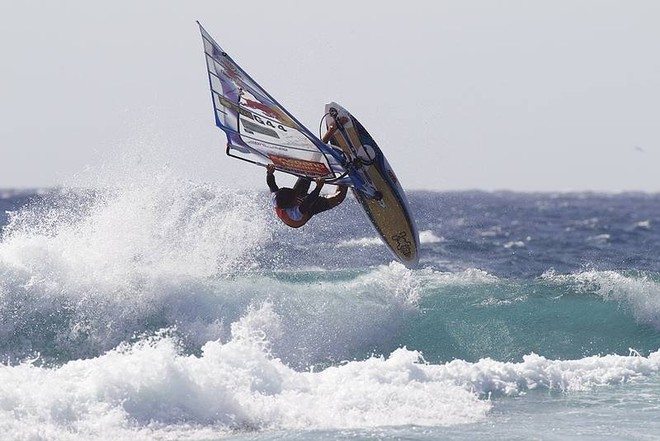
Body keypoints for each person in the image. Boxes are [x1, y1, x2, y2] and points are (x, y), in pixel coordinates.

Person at [266, 164, 348, 228]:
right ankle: (347, 173)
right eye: (296, 197)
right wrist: (318, 187)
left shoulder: (276, 197)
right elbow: (310, 200)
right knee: (339, 197)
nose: (298, 197)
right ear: (294, 202)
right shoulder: (296, 214)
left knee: (307, 173)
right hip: (306, 212)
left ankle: (323, 142)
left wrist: (269, 172)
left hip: (291, 199)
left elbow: (271, 183)